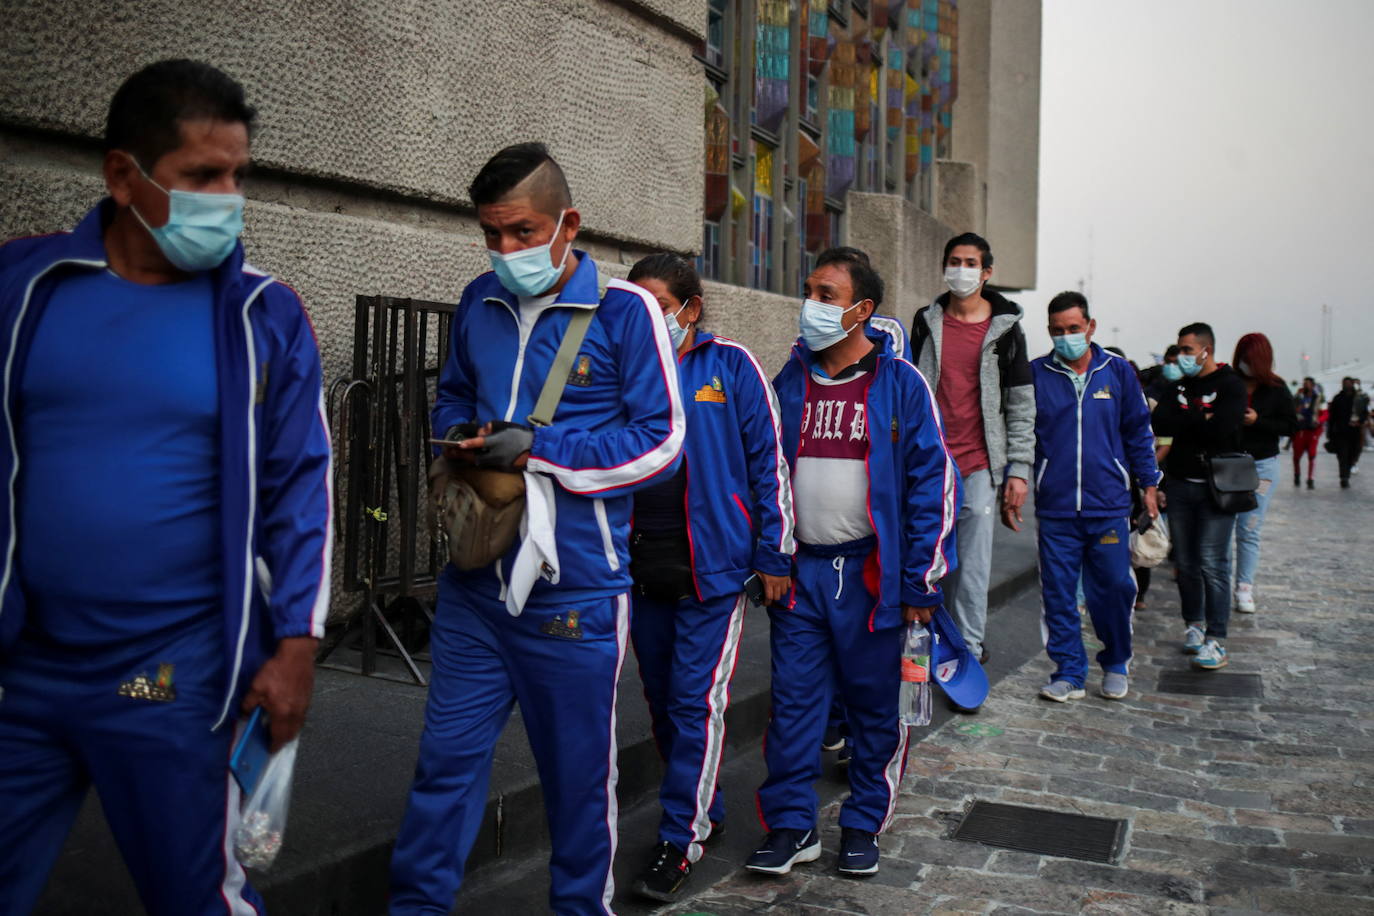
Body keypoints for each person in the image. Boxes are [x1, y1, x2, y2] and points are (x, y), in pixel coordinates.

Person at [0, 60, 332, 914]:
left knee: (196, 897)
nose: (226, 197)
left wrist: (296, 644)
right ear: (122, 175)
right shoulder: (23, 288)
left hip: (173, 674)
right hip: (24, 669)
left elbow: (303, 484)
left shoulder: (263, 316)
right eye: (201, 176)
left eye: (236, 176)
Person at [388, 143, 686, 915]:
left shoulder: (628, 313)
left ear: (568, 224)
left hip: (576, 594)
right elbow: (451, 394)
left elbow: (661, 442)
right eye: (491, 235)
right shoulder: (476, 300)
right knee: (444, 769)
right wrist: (461, 434)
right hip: (474, 587)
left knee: (578, 786)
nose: (505, 252)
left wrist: (542, 449)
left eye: (521, 232)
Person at [749, 247, 958, 878]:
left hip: (874, 579)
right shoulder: (789, 382)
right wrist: (772, 553)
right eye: (809, 290)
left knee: (875, 709)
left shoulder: (899, 386)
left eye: (827, 295)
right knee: (793, 706)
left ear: (862, 310)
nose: (811, 304)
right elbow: (766, 475)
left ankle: (864, 822)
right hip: (801, 575)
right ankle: (791, 826)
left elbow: (932, 484)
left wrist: (921, 579)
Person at [621, 253, 794, 903]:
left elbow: (767, 461)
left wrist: (774, 552)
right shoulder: (623, 370)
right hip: (642, 568)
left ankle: (682, 836)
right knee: (665, 702)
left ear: (690, 309)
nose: (647, 319)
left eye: (658, 306)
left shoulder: (732, 367)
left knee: (697, 702)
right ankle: (704, 806)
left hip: (714, 572)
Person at [909, 232, 1034, 710]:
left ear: (986, 273)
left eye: (970, 263)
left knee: (974, 569)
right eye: (953, 261)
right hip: (928, 464)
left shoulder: (1007, 331)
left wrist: (1018, 470)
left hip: (980, 464)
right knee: (926, 562)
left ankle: (968, 653)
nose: (960, 270)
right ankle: (921, 651)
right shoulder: (927, 321)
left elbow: (1021, 405)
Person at [1021, 292, 1159, 702]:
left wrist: (1148, 485)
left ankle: (1116, 661)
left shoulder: (1116, 372)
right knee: (1059, 593)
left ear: (1090, 327)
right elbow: (1023, 432)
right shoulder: (1037, 374)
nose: (1067, 337)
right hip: (1057, 507)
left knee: (1114, 587)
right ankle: (1068, 671)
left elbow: (1138, 432)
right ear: (1049, 332)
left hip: (1109, 505)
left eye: (1074, 329)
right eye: (1058, 331)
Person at [1153, 322, 1246, 670]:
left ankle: (1216, 638)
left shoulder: (1230, 385)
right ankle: (1193, 624)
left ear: (1207, 350)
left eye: (1188, 350)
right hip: (1179, 484)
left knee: (1213, 562)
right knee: (1186, 564)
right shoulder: (1176, 384)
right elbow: (1162, 423)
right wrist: (1199, 418)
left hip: (1216, 488)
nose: (1182, 357)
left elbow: (1222, 431)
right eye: (1179, 350)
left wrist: (1190, 418)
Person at [1230, 334, 1296, 613]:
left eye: (1250, 360)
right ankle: (1218, 582)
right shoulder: (1229, 384)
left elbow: (1290, 425)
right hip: (1228, 465)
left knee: (1249, 527)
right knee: (1220, 529)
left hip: (1261, 466)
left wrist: (1259, 421)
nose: (1246, 365)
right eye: (1243, 359)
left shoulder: (1277, 389)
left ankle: (1244, 587)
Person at [1327, 377, 1369, 488]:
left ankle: (1348, 471)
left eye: (1348, 383)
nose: (1346, 385)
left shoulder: (1359, 398)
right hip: (1341, 432)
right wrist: (1330, 432)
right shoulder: (1338, 398)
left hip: (1355, 432)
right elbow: (1332, 417)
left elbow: (1364, 412)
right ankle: (1344, 477)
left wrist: (1360, 422)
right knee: (1342, 455)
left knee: (1353, 453)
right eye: (1345, 383)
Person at [1292, 376, 1324, 488]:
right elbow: (1292, 409)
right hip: (1300, 430)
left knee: (1312, 455)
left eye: (1308, 383)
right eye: (1304, 383)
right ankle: (1297, 475)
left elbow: (1325, 412)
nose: (1305, 385)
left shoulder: (1319, 398)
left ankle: (1310, 479)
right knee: (1296, 456)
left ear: (1313, 385)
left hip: (1312, 430)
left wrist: (1319, 421)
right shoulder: (1299, 397)